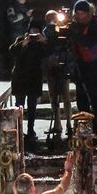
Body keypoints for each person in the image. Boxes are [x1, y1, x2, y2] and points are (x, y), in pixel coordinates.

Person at [68, 0, 97, 135]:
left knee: (96, 100)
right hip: (79, 66)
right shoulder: (75, 25)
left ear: (89, 12)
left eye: (83, 13)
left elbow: (90, 42)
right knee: (82, 100)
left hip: (95, 65)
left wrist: (73, 33)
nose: (81, 16)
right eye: (78, 13)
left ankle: (96, 132)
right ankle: (85, 130)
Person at [9, 15, 50, 142]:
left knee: (32, 106)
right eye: (32, 30)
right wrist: (23, 44)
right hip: (20, 77)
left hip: (34, 77)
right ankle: (18, 130)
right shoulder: (21, 39)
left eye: (37, 31)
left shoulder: (41, 43)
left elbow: (48, 54)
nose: (34, 33)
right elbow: (12, 51)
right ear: (29, 31)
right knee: (19, 105)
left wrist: (44, 42)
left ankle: (30, 130)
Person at [42, 11, 72, 140]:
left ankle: (69, 124)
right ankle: (57, 123)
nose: (53, 20)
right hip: (51, 67)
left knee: (65, 95)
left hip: (64, 66)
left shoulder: (64, 29)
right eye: (49, 18)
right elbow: (46, 46)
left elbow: (68, 44)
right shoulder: (46, 31)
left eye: (54, 17)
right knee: (53, 96)